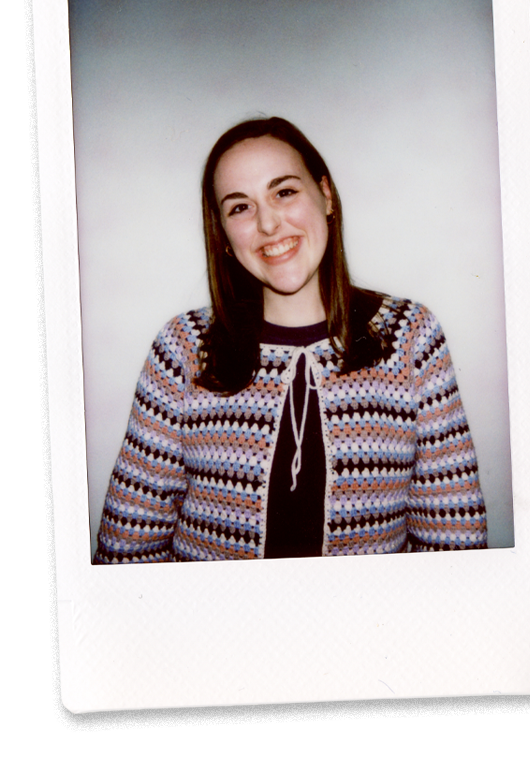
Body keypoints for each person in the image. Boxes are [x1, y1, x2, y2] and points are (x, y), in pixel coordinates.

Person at [93, 116, 487, 563]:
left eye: (284, 192)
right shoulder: (184, 346)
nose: (268, 224)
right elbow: (128, 548)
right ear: (224, 236)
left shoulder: (410, 335)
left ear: (326, 195)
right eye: (240, 207)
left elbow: (455, 546)